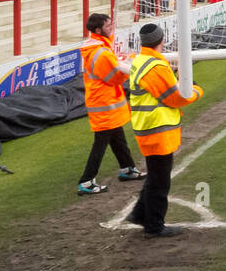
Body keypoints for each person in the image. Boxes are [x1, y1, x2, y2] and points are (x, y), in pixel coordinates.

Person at [126, 23, 204, 238]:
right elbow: (175, 97)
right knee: (160, 179)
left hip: (150, 126)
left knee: (156, 175)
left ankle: (140, 214)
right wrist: (196, 90)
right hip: (156, 129)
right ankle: (154, 226)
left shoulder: (143, 60)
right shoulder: (155, 67)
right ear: (162, 40)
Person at [77, 14, 145, 194]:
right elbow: (113, 78)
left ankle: (127, 168)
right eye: (108, 26)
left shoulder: (98, 46)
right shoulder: (100, 52)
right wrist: (128, 64)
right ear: (98, 30)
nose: (112, 28)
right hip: (104, 103)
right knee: (101, 143)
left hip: (105, 102)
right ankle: (86, 181)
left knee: (117, 137)